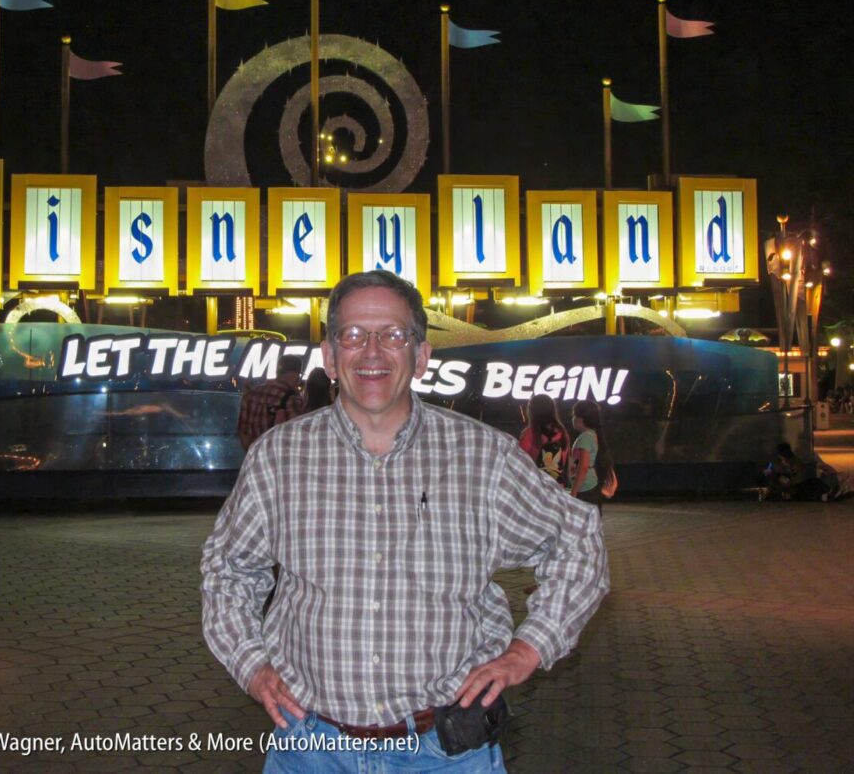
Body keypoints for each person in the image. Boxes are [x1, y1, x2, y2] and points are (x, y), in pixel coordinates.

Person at [202, 270, 609, 772]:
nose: (372, 352)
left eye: (393, 335)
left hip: (446, 753)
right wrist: (251, 665)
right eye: (353, 334)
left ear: (420, 357)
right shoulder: (277, 459)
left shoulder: (483, 458)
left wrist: (529, 649)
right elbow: (228, 571)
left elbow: (578, 540)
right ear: (329, 355)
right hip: (311, 749)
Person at [236, 355, 305, 451]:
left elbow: (243, 433)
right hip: (278, 457)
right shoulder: (292, 399)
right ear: (295, 374)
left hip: (254, 456)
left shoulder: (249, 395)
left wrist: (255, 453)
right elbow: (299, 435)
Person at [566, 400, 615, 513]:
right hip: (591, 484)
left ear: (581, 419)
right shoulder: (592, 434)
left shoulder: (585, 437)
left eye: (574, 415)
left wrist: (574, 492)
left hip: (584, 486)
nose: (573, 419)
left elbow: (583, 466)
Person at [518, 394, 570, 485]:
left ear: (532, 411)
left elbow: (520, 461)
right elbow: (564, 459)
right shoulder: (562, 431)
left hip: (535, 485)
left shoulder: (529, 433)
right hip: (557, 485)